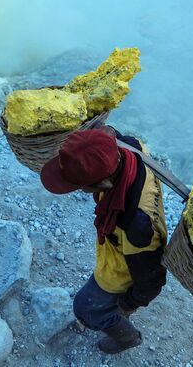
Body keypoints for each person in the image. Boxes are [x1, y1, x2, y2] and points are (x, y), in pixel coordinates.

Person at [40, 127, 168, 354]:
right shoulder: (128, 146)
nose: (78, 190)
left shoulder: (137, 226)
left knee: (86, 308)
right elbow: (106, 134)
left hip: (120, 272)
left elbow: (151, 281)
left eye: (80, 186)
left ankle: (127, 338)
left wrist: (127, 304)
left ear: (105, 184)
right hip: (119, 249)